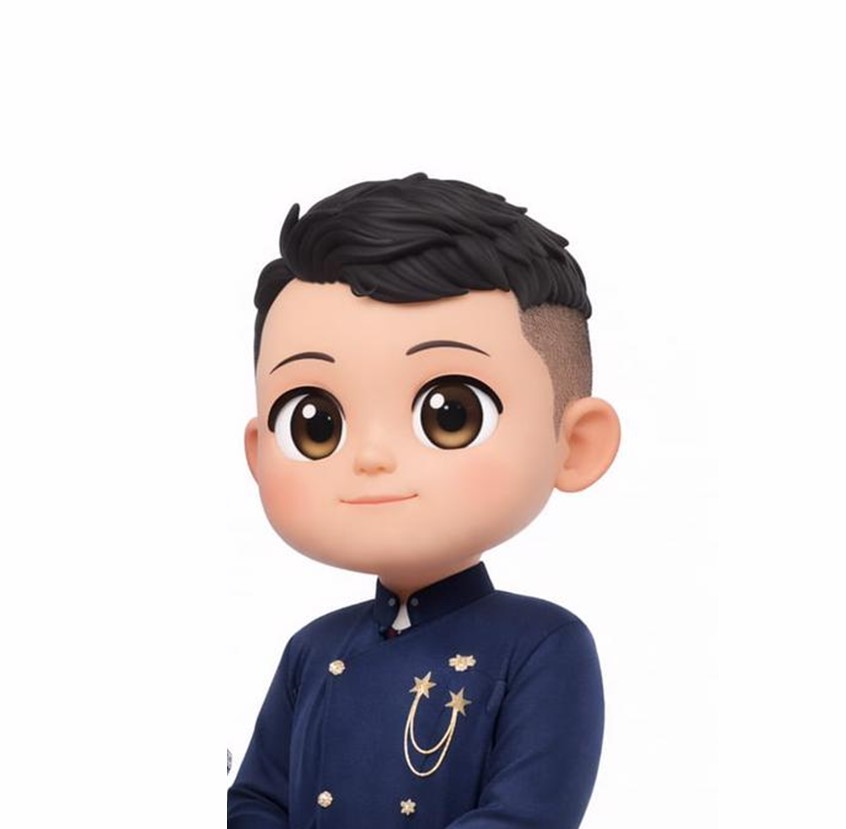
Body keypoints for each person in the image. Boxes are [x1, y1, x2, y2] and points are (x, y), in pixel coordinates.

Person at [228, 173, 620, 828]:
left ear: (576, 444)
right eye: (315, 423)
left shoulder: (543, 645)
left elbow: (526, 816)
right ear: (258, 451)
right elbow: (256, 798)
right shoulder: (312, 647)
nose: (371, 457)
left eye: (450, 414)